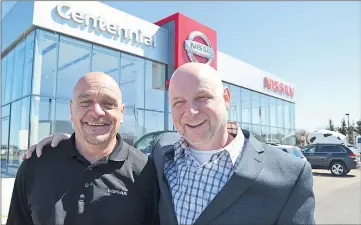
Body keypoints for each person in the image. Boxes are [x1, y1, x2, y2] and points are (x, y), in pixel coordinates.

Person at [23, 63, 315, 225]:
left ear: (226, 98)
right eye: (178, 102)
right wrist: (63, 143)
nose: (190, 111)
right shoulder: (162, 155)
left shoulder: (288, 175)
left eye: (202, 98)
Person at [7, 72, 159, 225]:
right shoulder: (35, 164)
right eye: (86, 102)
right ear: (71, 109)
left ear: (122, 112)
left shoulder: (145, 170)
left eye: (108, 103)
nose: (97, 112)